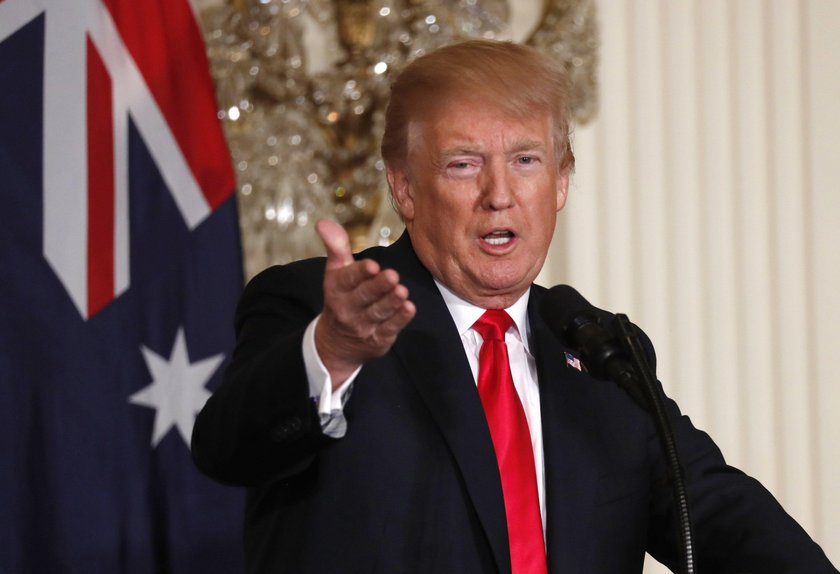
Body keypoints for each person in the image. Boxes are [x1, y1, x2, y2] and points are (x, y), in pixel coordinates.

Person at [191, 40, 837, 573]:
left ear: (560, 181)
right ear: (404, 186)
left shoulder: (599, 349)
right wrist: (331, 351)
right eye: (464, 164)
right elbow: (226, 448)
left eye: (526, 160)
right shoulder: (315, 307)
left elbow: (723, 516)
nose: (499, 195)